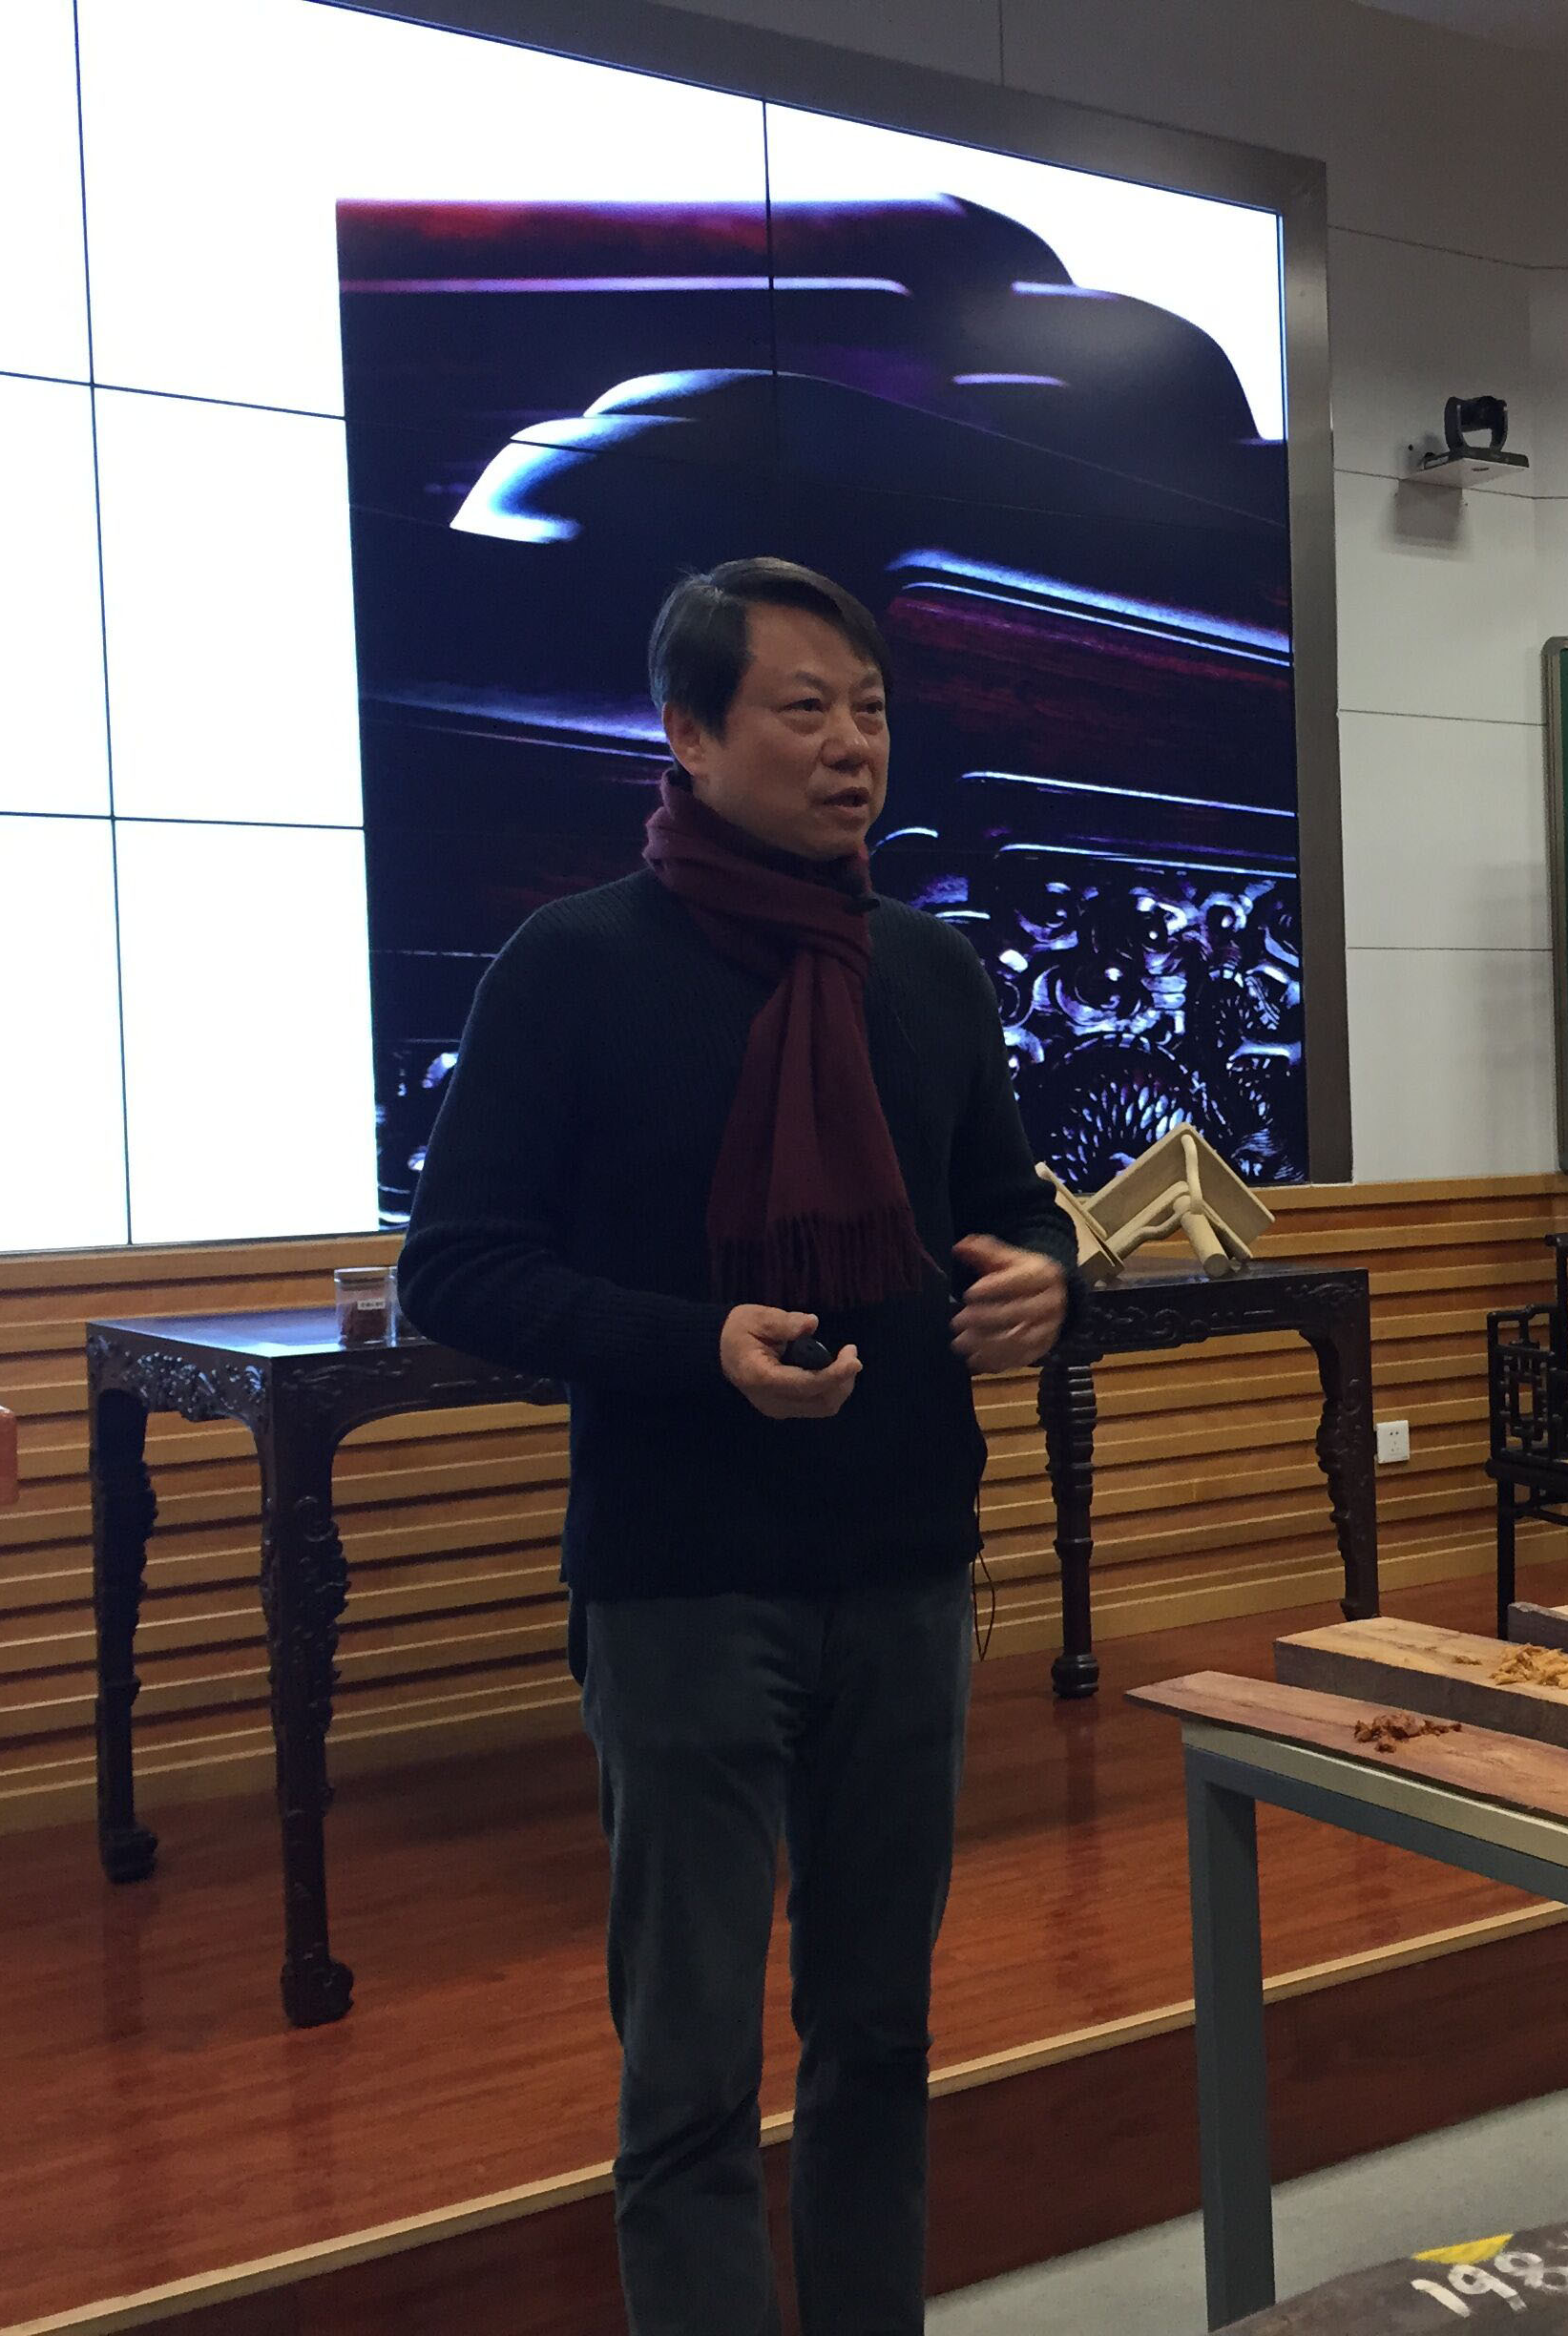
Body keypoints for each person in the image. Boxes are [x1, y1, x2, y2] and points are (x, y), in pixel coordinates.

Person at [396, 557, 1077, 2335]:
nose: (853, 745)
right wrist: (693, 1347)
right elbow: (453, 1270)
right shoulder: (575, 967)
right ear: (689, 736)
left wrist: (1045, 1276)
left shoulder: (926, 970)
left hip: (906, 1570)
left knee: (881, 2038)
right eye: (805, 709)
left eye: (871, 710)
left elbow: (1005, 1206)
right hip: (686, 1583)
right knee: (690, 2067)